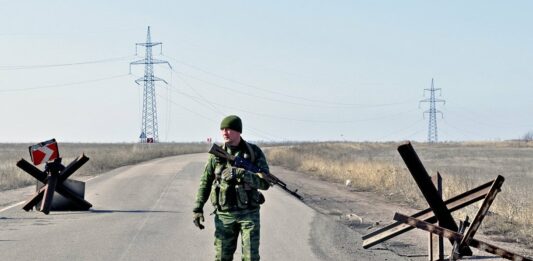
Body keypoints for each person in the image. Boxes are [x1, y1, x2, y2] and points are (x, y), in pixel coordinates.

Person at [193, 115, 270, 261]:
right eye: (222, 129)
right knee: (222, 257)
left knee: (251, 257)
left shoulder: (253, 153)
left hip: (249, 214)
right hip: (224, 215)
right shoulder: (216, 155)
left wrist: (243, 173)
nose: (224, 132)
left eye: (228, 129)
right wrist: (197, 208)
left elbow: (265, 183)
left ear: (238, 131)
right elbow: (205, 182)